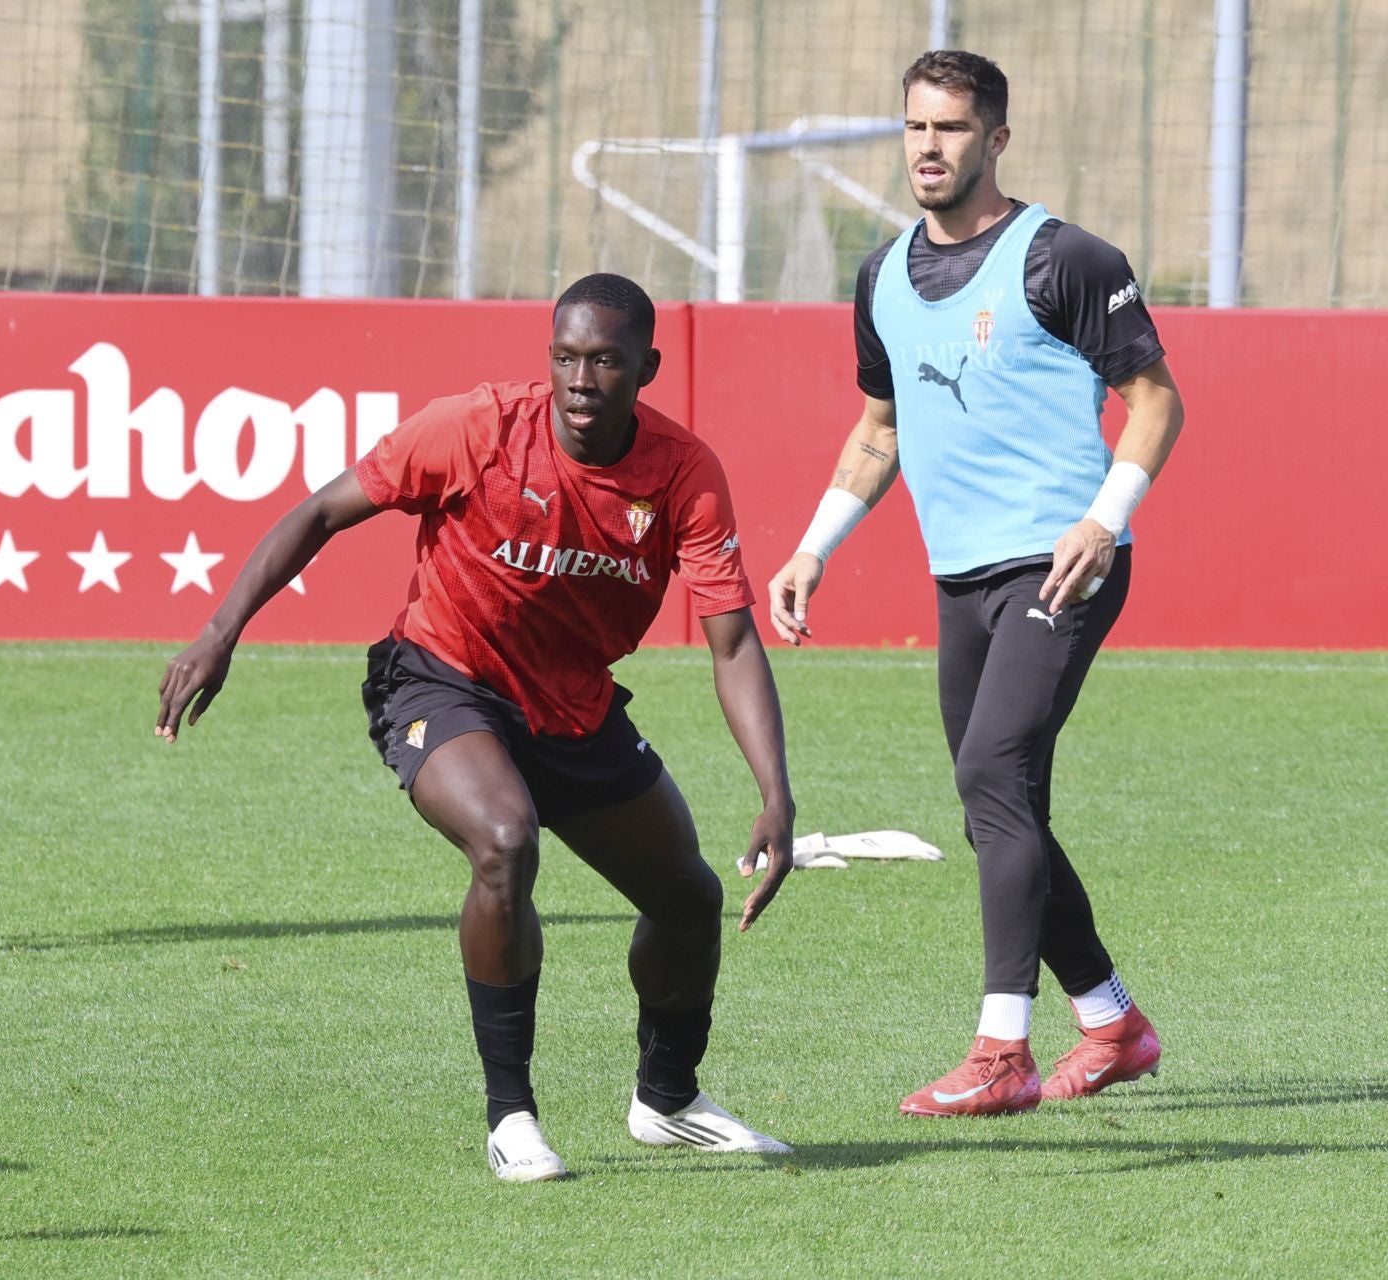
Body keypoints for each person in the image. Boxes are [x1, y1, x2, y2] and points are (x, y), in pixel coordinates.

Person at [158, 274, 798, 1181]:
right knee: (505, 840)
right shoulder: (482, 427)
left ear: (647, 368)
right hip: (440, 678)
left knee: (688, 899)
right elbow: (319, 512)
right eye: (566, 357)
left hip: (571, 705)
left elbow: (731, 642)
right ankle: (512, 1117)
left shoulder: (684, 472)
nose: (582, 379)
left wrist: (775, 794)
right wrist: (220, 634)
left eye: (607, 360)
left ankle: (668, 1098)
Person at [767, 50, 1184, 1117]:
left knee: (992, 777)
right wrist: (815, 546)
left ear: (995, 138)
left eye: (950, 129)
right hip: (960, 581)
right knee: (1004, 807)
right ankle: (1112, 1019)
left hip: (1064, 562)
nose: (927, 147)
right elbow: (879, 430)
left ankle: (1003, 1049)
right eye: (914, 127)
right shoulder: (882, 276)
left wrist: (1106, 517)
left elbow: (1155, 401)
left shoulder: (1063, 258)